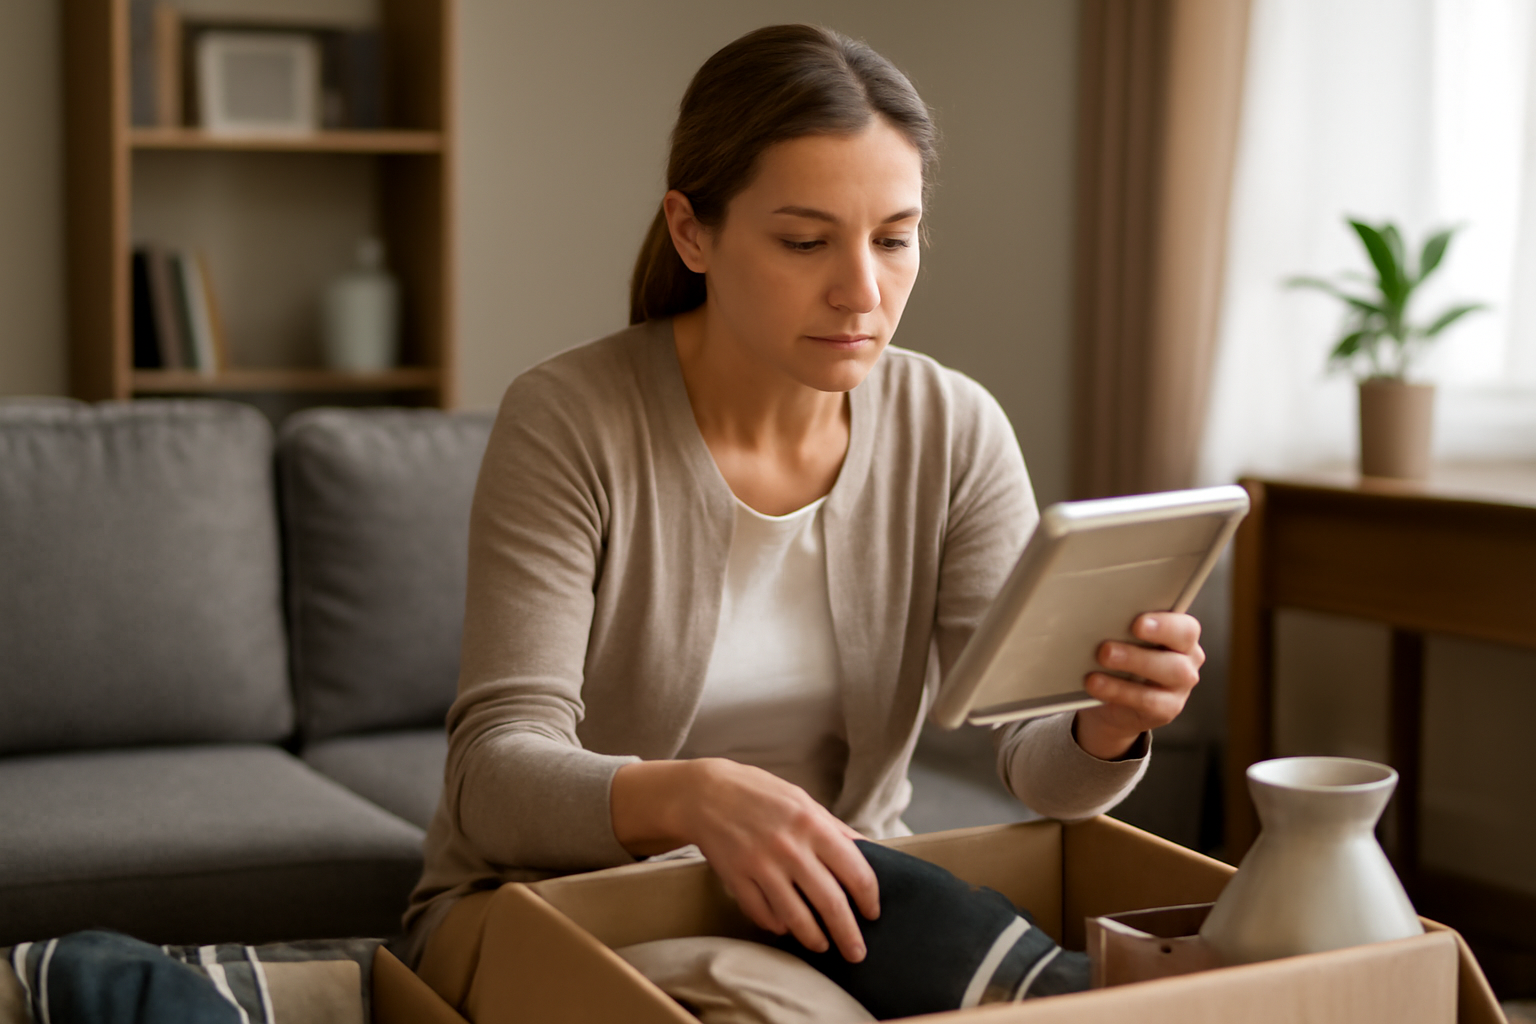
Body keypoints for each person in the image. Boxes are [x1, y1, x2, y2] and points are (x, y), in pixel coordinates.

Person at [404, 23, 1205, 977]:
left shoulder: (952, 428)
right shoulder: (570, 419)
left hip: (846, 906)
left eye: (894, 239)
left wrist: (1107, 724)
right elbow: (494, 775)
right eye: (804, 241)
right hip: (559, 905)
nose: (861, 291)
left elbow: (1038, 767)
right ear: (691, 231)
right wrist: (696, 797)